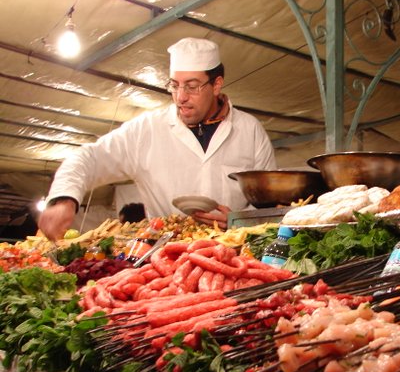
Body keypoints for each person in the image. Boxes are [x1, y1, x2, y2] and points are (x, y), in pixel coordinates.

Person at [38, 37, 276, 240]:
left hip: (235, 256)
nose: (180, 97)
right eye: (174, 85)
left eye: (192, 87)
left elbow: (272, 207)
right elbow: (88, 157)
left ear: (216, 85)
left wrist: (238, 221)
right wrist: (64, 199)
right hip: (166, 258)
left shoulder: (249, 131)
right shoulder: (147, 130)